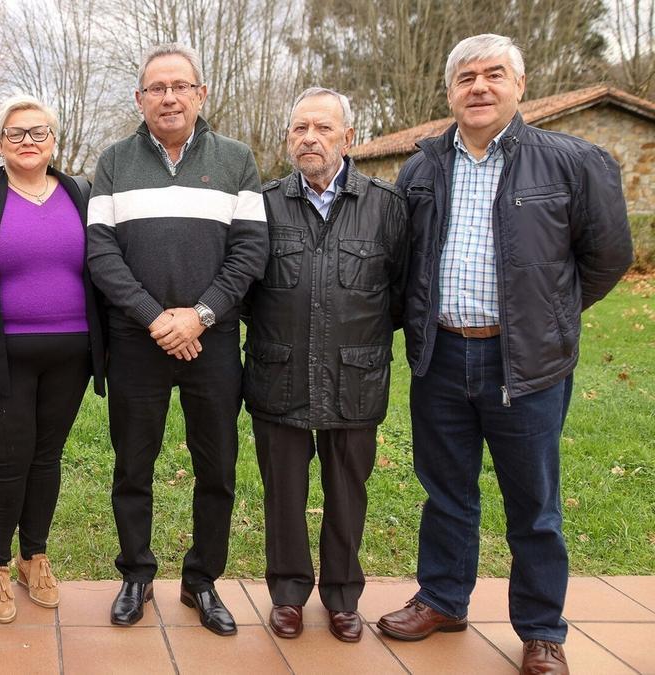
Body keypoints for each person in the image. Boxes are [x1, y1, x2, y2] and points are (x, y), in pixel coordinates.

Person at [376, 34, 632, 674]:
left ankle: (542, 629)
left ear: (520, 86)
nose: (480, 88)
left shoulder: (571, 162)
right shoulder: (424, 167)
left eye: (494, 75)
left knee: (534, 504)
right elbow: (407, 261)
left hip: (526, 367)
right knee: (445, 491)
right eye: (466, 78)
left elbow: (607, 257)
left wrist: (548, 319)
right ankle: (442, 598)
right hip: (440, 357)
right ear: (450, 93)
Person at [87, 43, 268, 636]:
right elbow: (100, 254)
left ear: (200, 94)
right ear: (140, 99)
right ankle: (136, 574)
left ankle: (202, 582)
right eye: (156, 88)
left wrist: (201, 316)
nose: (169, 97)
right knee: (133, 465)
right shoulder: (113, 162)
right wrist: (155, 318)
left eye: (180, 86)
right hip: (137, 342)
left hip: (211, 342)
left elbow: (250, 252)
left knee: (216, 468)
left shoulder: (237, 161)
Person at [0, 95, 107, 623]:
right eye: (15, 133)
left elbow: (102, 267)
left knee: (45, 458)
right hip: (0, 358)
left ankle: (34, 557)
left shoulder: (80, 192)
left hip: (70, 356)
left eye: (38, 132)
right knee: (4, 463)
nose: (27, 142)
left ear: (54, 140)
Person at [244, 87, 407, 643]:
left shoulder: (385, 206)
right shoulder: (263, 204)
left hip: (354, 378)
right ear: (288, 137)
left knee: (347, 491)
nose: (309, 138)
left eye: (323, 128)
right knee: (283, 494)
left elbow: (402, 294)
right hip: (278, 372)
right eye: (299, 128)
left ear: (348, 137)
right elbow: (244, 289)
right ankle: (288, 594)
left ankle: (342, 596)